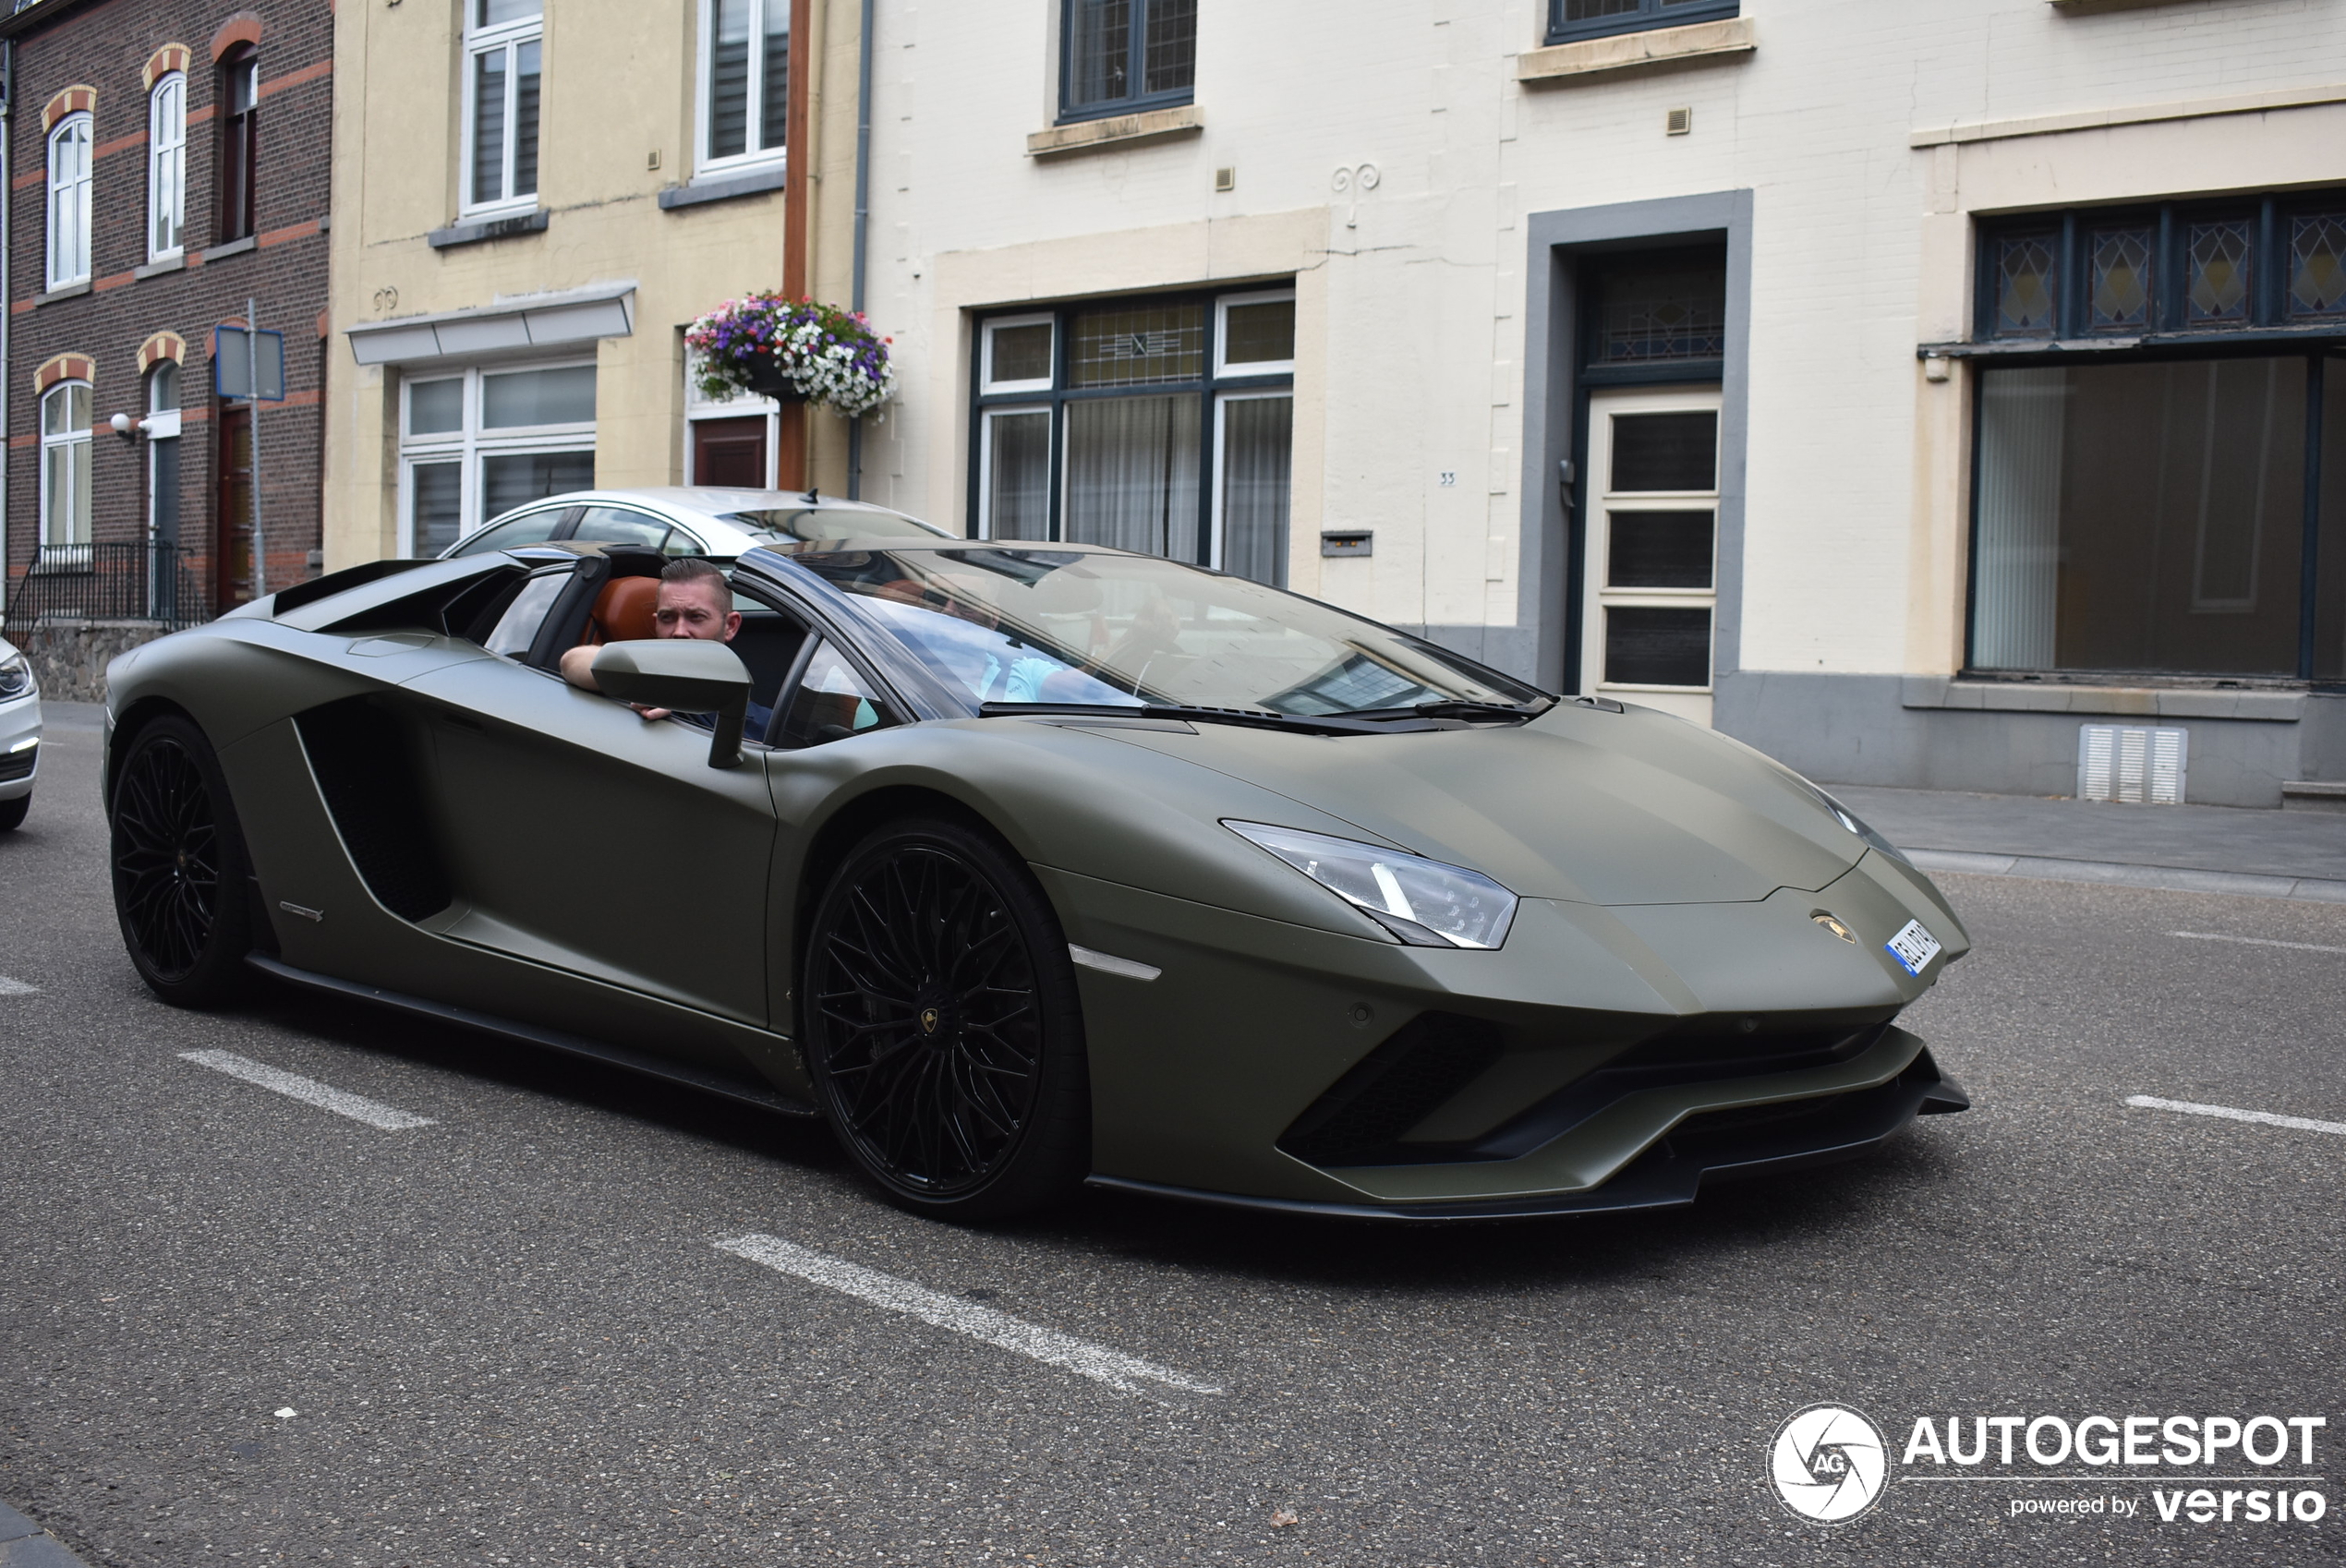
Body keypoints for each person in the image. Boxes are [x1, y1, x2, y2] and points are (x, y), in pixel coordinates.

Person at [561, 558, 773, 736]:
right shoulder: (636, 678)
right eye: (667, 617)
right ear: (655, 623)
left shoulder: (765, 724)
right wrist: (654, 687)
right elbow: (572, 660)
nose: (679, 631)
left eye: (696, 617)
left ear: (730, 625)